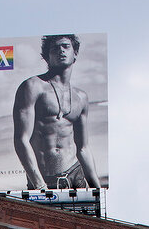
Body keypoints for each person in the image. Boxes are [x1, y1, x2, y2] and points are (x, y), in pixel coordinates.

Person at [13, 33, 100, 191]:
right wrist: (40, 185)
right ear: (47, 56)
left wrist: (97, 189)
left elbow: (83, 148)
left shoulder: (81, 97)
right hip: (43, 180)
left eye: (66, 46)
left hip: (75, 175)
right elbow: (21, 140)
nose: (61, 50)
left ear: (75, 53)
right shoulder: (32, 87)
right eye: (55, 48)